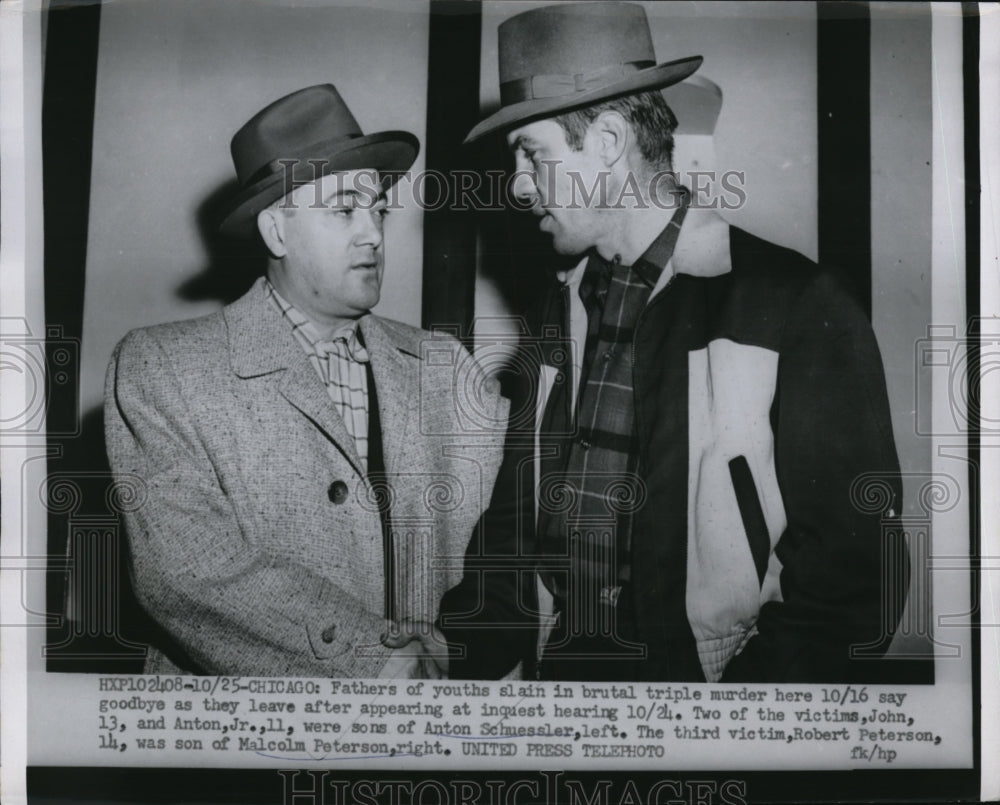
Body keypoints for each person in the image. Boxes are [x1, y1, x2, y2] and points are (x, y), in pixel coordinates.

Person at [431, 2, 910, 682]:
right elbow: (511, 538)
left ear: (607, 141)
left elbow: (856, 582)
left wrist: (729, 719)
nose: (517, 184)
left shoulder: (796, 303)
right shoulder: (554, 313)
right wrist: (455, 664)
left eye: (532, 155)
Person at [104, 84, 506, 677]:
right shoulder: (163, 367)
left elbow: (506, 551)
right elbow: (185, 571)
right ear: (276, 232)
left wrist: (457, 652)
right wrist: (372, 660)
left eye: (378, 210)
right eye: (344, 210)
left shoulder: (445, 369)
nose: (374, 233)